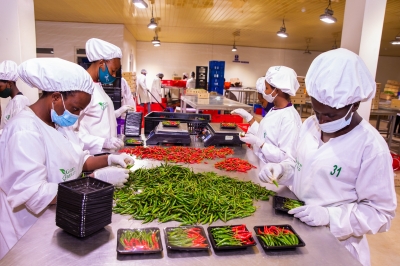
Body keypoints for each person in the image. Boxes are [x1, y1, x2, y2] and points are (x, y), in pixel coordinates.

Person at [258, 49, 397, 266]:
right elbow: (300, 166)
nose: (322, 120)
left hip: (337, 248)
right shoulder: (310, 126)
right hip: (297, 233)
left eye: (331, 115)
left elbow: (380, 213)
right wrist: (283, 170)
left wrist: (330, 216)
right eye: (317, 110)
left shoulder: (370, 148)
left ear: (354, 104)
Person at [0, 58, 134, 259]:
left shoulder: (61, 125)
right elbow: (34, 194)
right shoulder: (25, 130)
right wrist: (96, 181)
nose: (77, 115)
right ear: (55, 97)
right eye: (75, 109)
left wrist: (109, 159)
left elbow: (78, 160)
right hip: (26, 235)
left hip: (60, 222)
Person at [74, 38, 134, 155]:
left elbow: (99, 115)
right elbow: (70, 133)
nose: (114, 75)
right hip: (92, 156)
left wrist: (117, 113)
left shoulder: (98, 85)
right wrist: (103, 142)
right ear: (101, 63)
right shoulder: (82, 89)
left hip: (106, 156)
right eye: (112, 70)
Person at [232, 67, 302, 166]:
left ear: (277, 90)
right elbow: (265, 134)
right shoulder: (275, 110)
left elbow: (284, 156)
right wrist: (249, 118)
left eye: (267, 88)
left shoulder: (289, 119)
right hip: (262, 165)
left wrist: (259, 143)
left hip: (273, 175)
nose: (264, 92)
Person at [0, 60, 30, 135]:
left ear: (9, 83)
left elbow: (18, 131)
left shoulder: (20, 101)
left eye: (0, 87)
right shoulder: (12, 102)